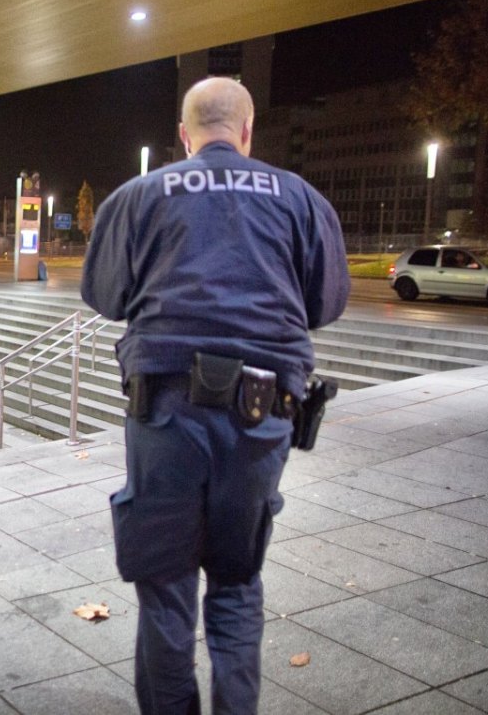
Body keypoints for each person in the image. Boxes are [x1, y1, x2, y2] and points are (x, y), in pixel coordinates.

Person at [82, 77, 350, 714]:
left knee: (166, 584)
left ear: (184, 135)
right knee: (234, 579)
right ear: (248, 131)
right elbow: (325, 303)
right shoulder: (301, 199)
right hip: (262, 416)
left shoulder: (139, 196)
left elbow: (105, 296)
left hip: (164, 410)